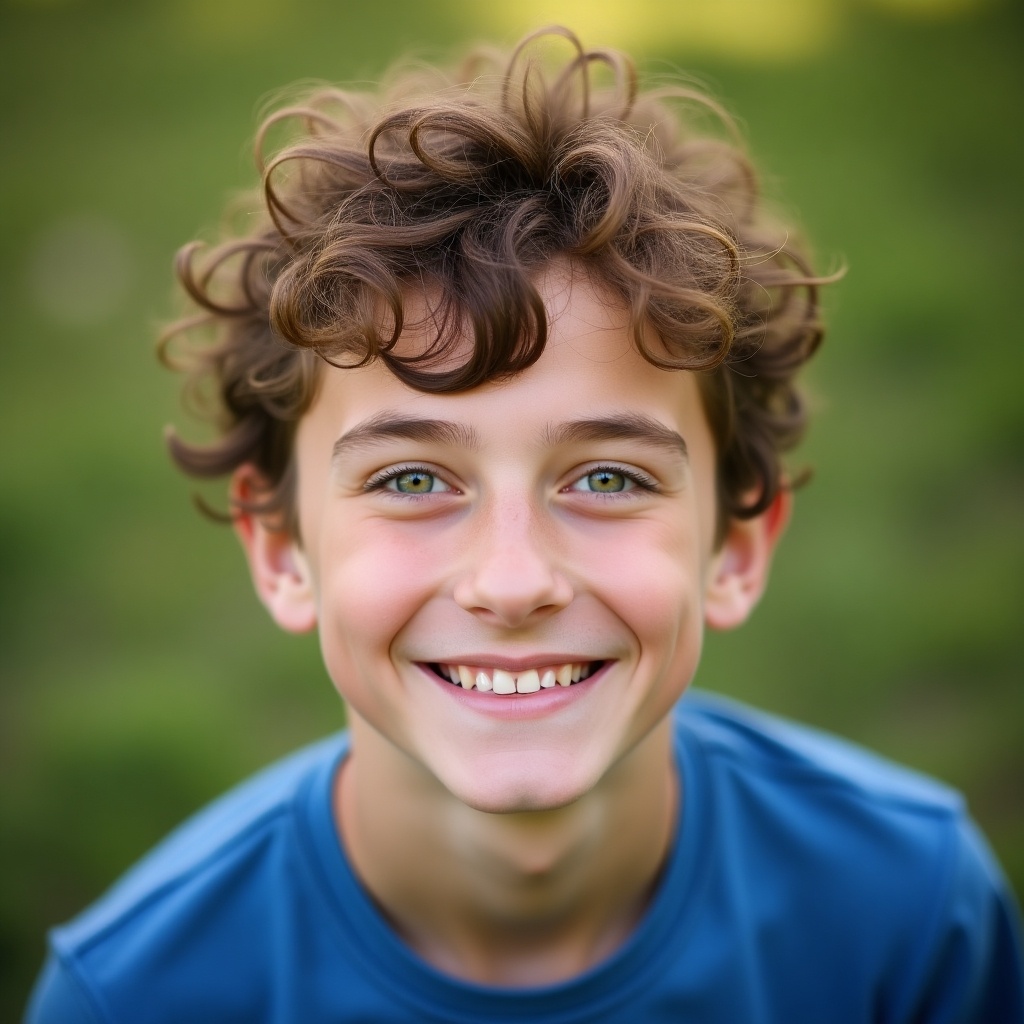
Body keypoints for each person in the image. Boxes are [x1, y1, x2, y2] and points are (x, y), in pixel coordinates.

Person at [26, 27, 1023, 1023]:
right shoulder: (137, 996)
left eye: (604, 475)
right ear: (284, 550)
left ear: (734, 547)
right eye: (414, 477)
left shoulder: (912, 914)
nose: (511, 583)